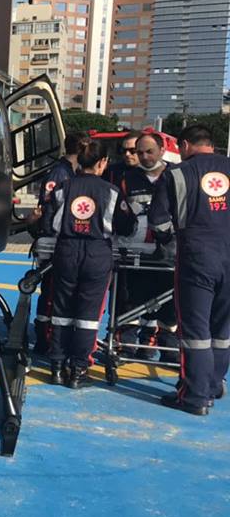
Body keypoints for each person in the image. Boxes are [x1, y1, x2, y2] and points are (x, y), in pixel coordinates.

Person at [40, 140, 137, 387]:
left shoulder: (62, 188)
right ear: (102, 162)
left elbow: (49, 223)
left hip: (66, 250)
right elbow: (127, 226)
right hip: (97, 253)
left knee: (61, 311)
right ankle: (79, 370)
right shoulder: (111, 191)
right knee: (88, 314)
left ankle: (56, 367)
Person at [149, 125, 230, 415]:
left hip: (197, 257)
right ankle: (214, 385)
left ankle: (195, 396)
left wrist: (167, 243)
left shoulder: (177, 174)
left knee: (195, 331)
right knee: (222, 330)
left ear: (184, 145)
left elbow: (158, 221)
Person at [115, 132, 178, 361]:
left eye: (148, 151)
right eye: (139, 152)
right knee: (129, 301)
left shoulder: (177, 176)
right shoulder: (127, 178)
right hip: (135, 251)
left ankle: (167, 348)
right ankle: (126, 346)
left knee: (168, 305)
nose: (143, 156)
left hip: (168, 252)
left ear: (162, 150)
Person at [29, 130, 89, 356]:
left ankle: (52, 336)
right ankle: (44, 338)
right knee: (51, 292)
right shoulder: (60, 174)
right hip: (54, 241)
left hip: (61, 240)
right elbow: (49, 209)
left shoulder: (71, 172)